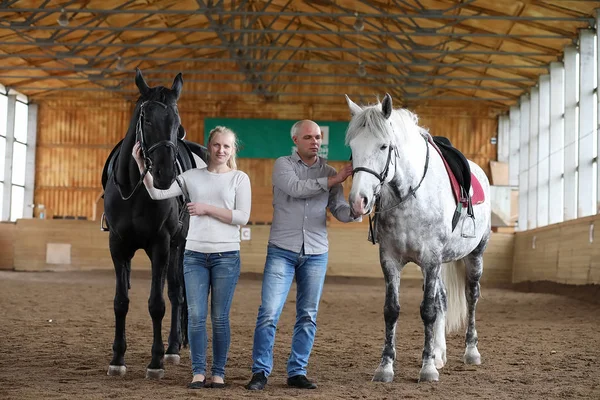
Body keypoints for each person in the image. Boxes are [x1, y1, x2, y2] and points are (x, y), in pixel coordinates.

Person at [132, 126, 251, 389]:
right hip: (194, 256)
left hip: (226, 256)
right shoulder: (191, 177)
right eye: (217, 145)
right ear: (210, 147)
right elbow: (157, 193)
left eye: (227, 146)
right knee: (196, 317)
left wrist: (206, 208)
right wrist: (142, 164)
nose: (221, 150)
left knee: (219, 318)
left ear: (233, 150)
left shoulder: (239, 179)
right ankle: (198, 372)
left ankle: (218, 373)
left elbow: (243, 217)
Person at [245, 120, 359, 391]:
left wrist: (356, 211)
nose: (315, 141)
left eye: (318, 137)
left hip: (316, 253)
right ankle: (260, 371)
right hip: (282, 251)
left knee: (308, 315)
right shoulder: (283, 165)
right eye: (309, 137)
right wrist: (335, 179)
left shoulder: (330, 171)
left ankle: (297, 371)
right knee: (269, 313)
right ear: (296, 140)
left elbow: (339, 209)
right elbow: (297, 189)